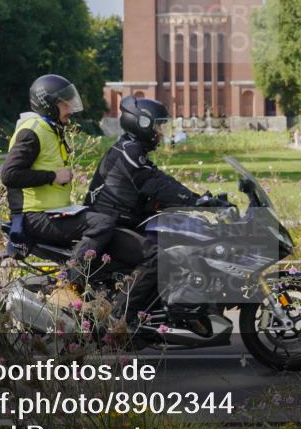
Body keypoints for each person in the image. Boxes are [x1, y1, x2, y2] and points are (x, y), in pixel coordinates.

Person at [85, 96, 221, 326]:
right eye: (157, 125)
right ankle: (122, 317)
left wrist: (195, 201)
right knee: (158, 255)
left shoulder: (130, 148)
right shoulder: (130, 151)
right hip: (110, 225)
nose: (160, 131)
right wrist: (195, 201)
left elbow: (149, 186)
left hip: (119, 221)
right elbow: (157, 182)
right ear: (143, 124)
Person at [0, 74, 115, 271]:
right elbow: (9, 175)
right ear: (49, 105)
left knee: (109, 214)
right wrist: (52, 176)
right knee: (102, 223)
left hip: (51, 212)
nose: (70, 110)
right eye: (64, 104)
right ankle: (71, 280)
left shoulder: (51, 129)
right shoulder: (32, 132)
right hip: (34, 216)